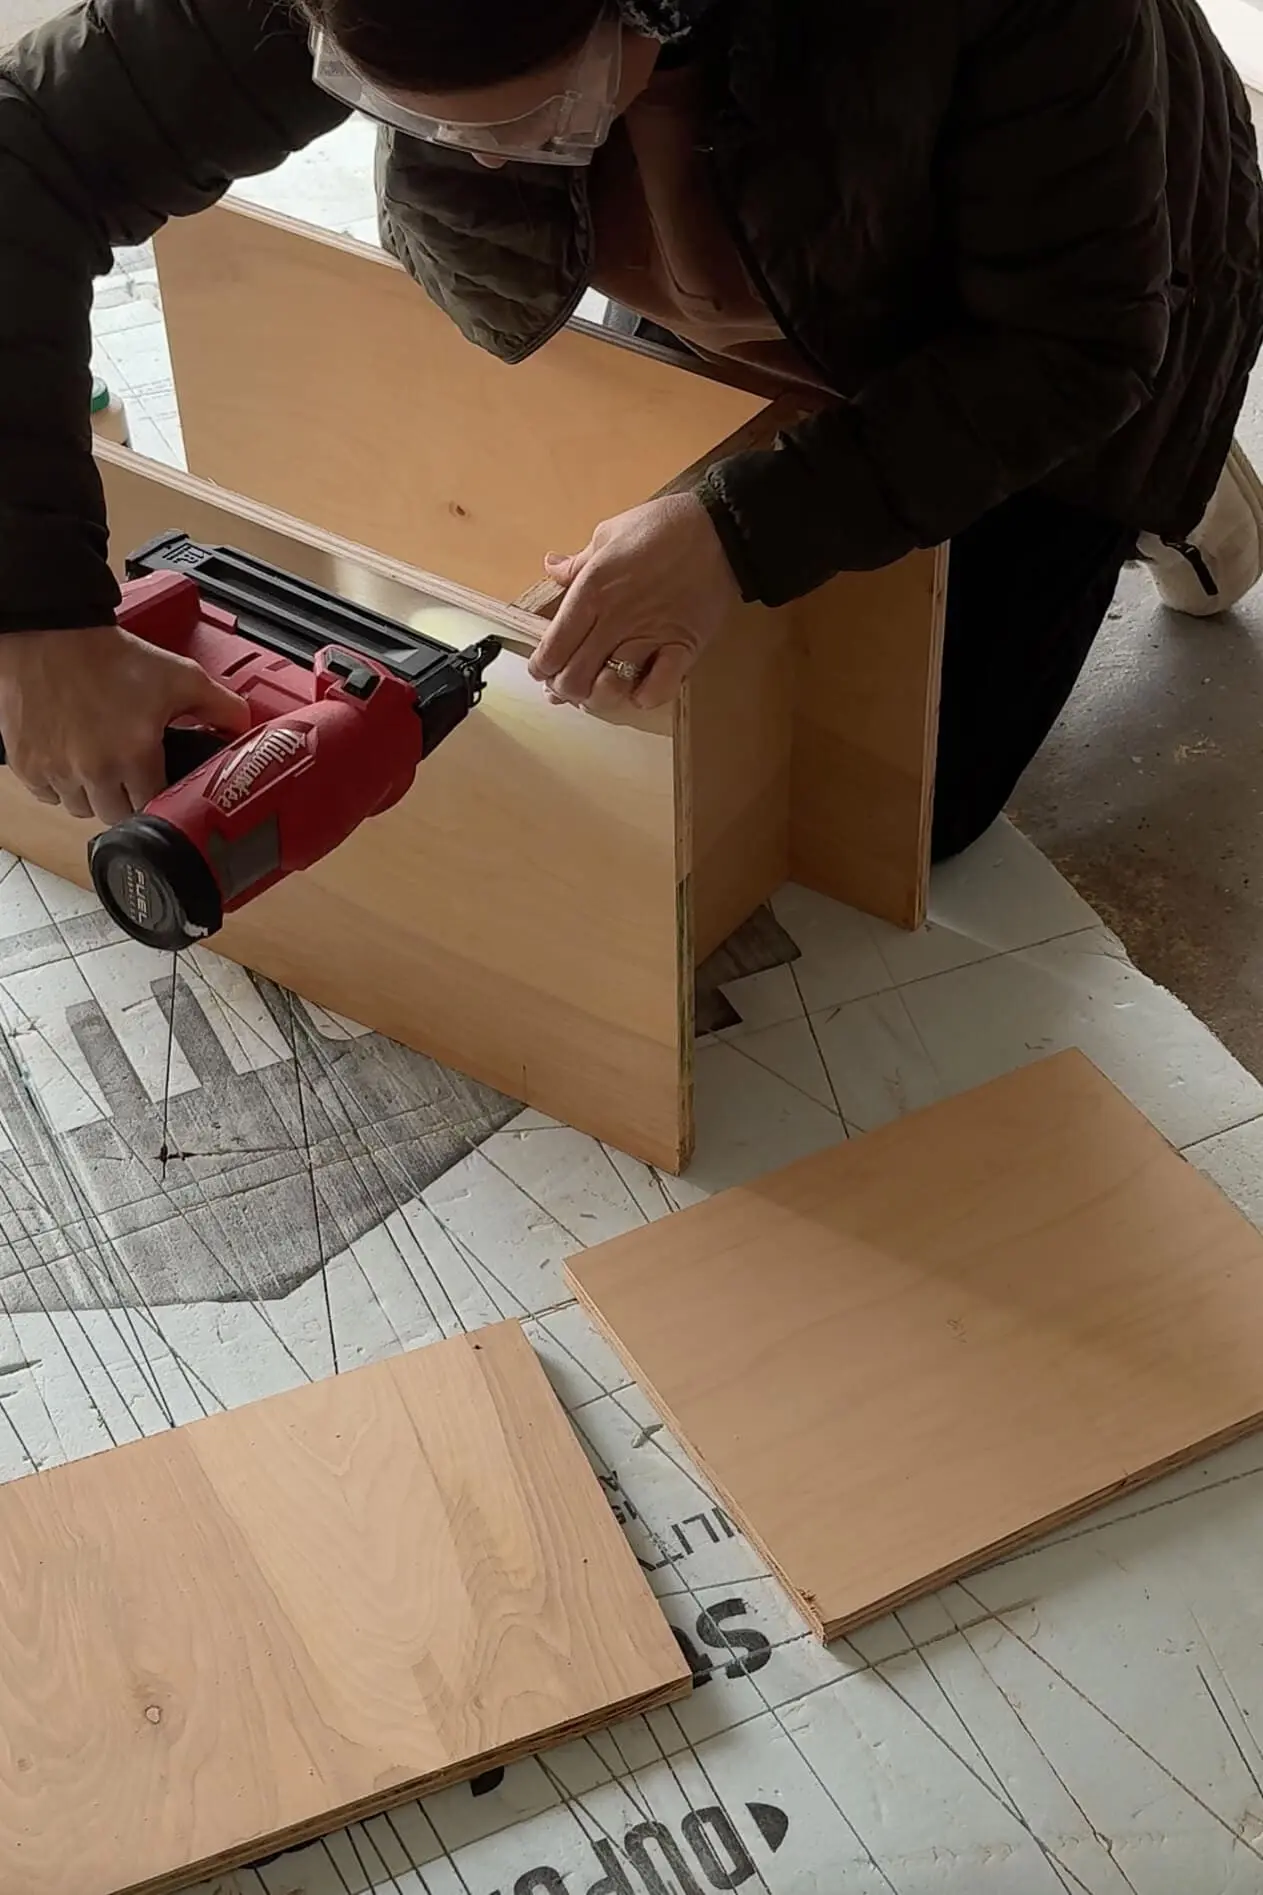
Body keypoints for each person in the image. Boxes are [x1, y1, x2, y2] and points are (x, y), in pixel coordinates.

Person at [0, 0, 1261, 857]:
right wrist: (35, 611)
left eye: (522, 126)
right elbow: (27, 149)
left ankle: (1176, 477)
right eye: (416, 118)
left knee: (900, 807)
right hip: (775, 228)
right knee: (717, 706)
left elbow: (1071, 341)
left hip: (1065, 287)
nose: (481, 169)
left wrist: (738, 533)